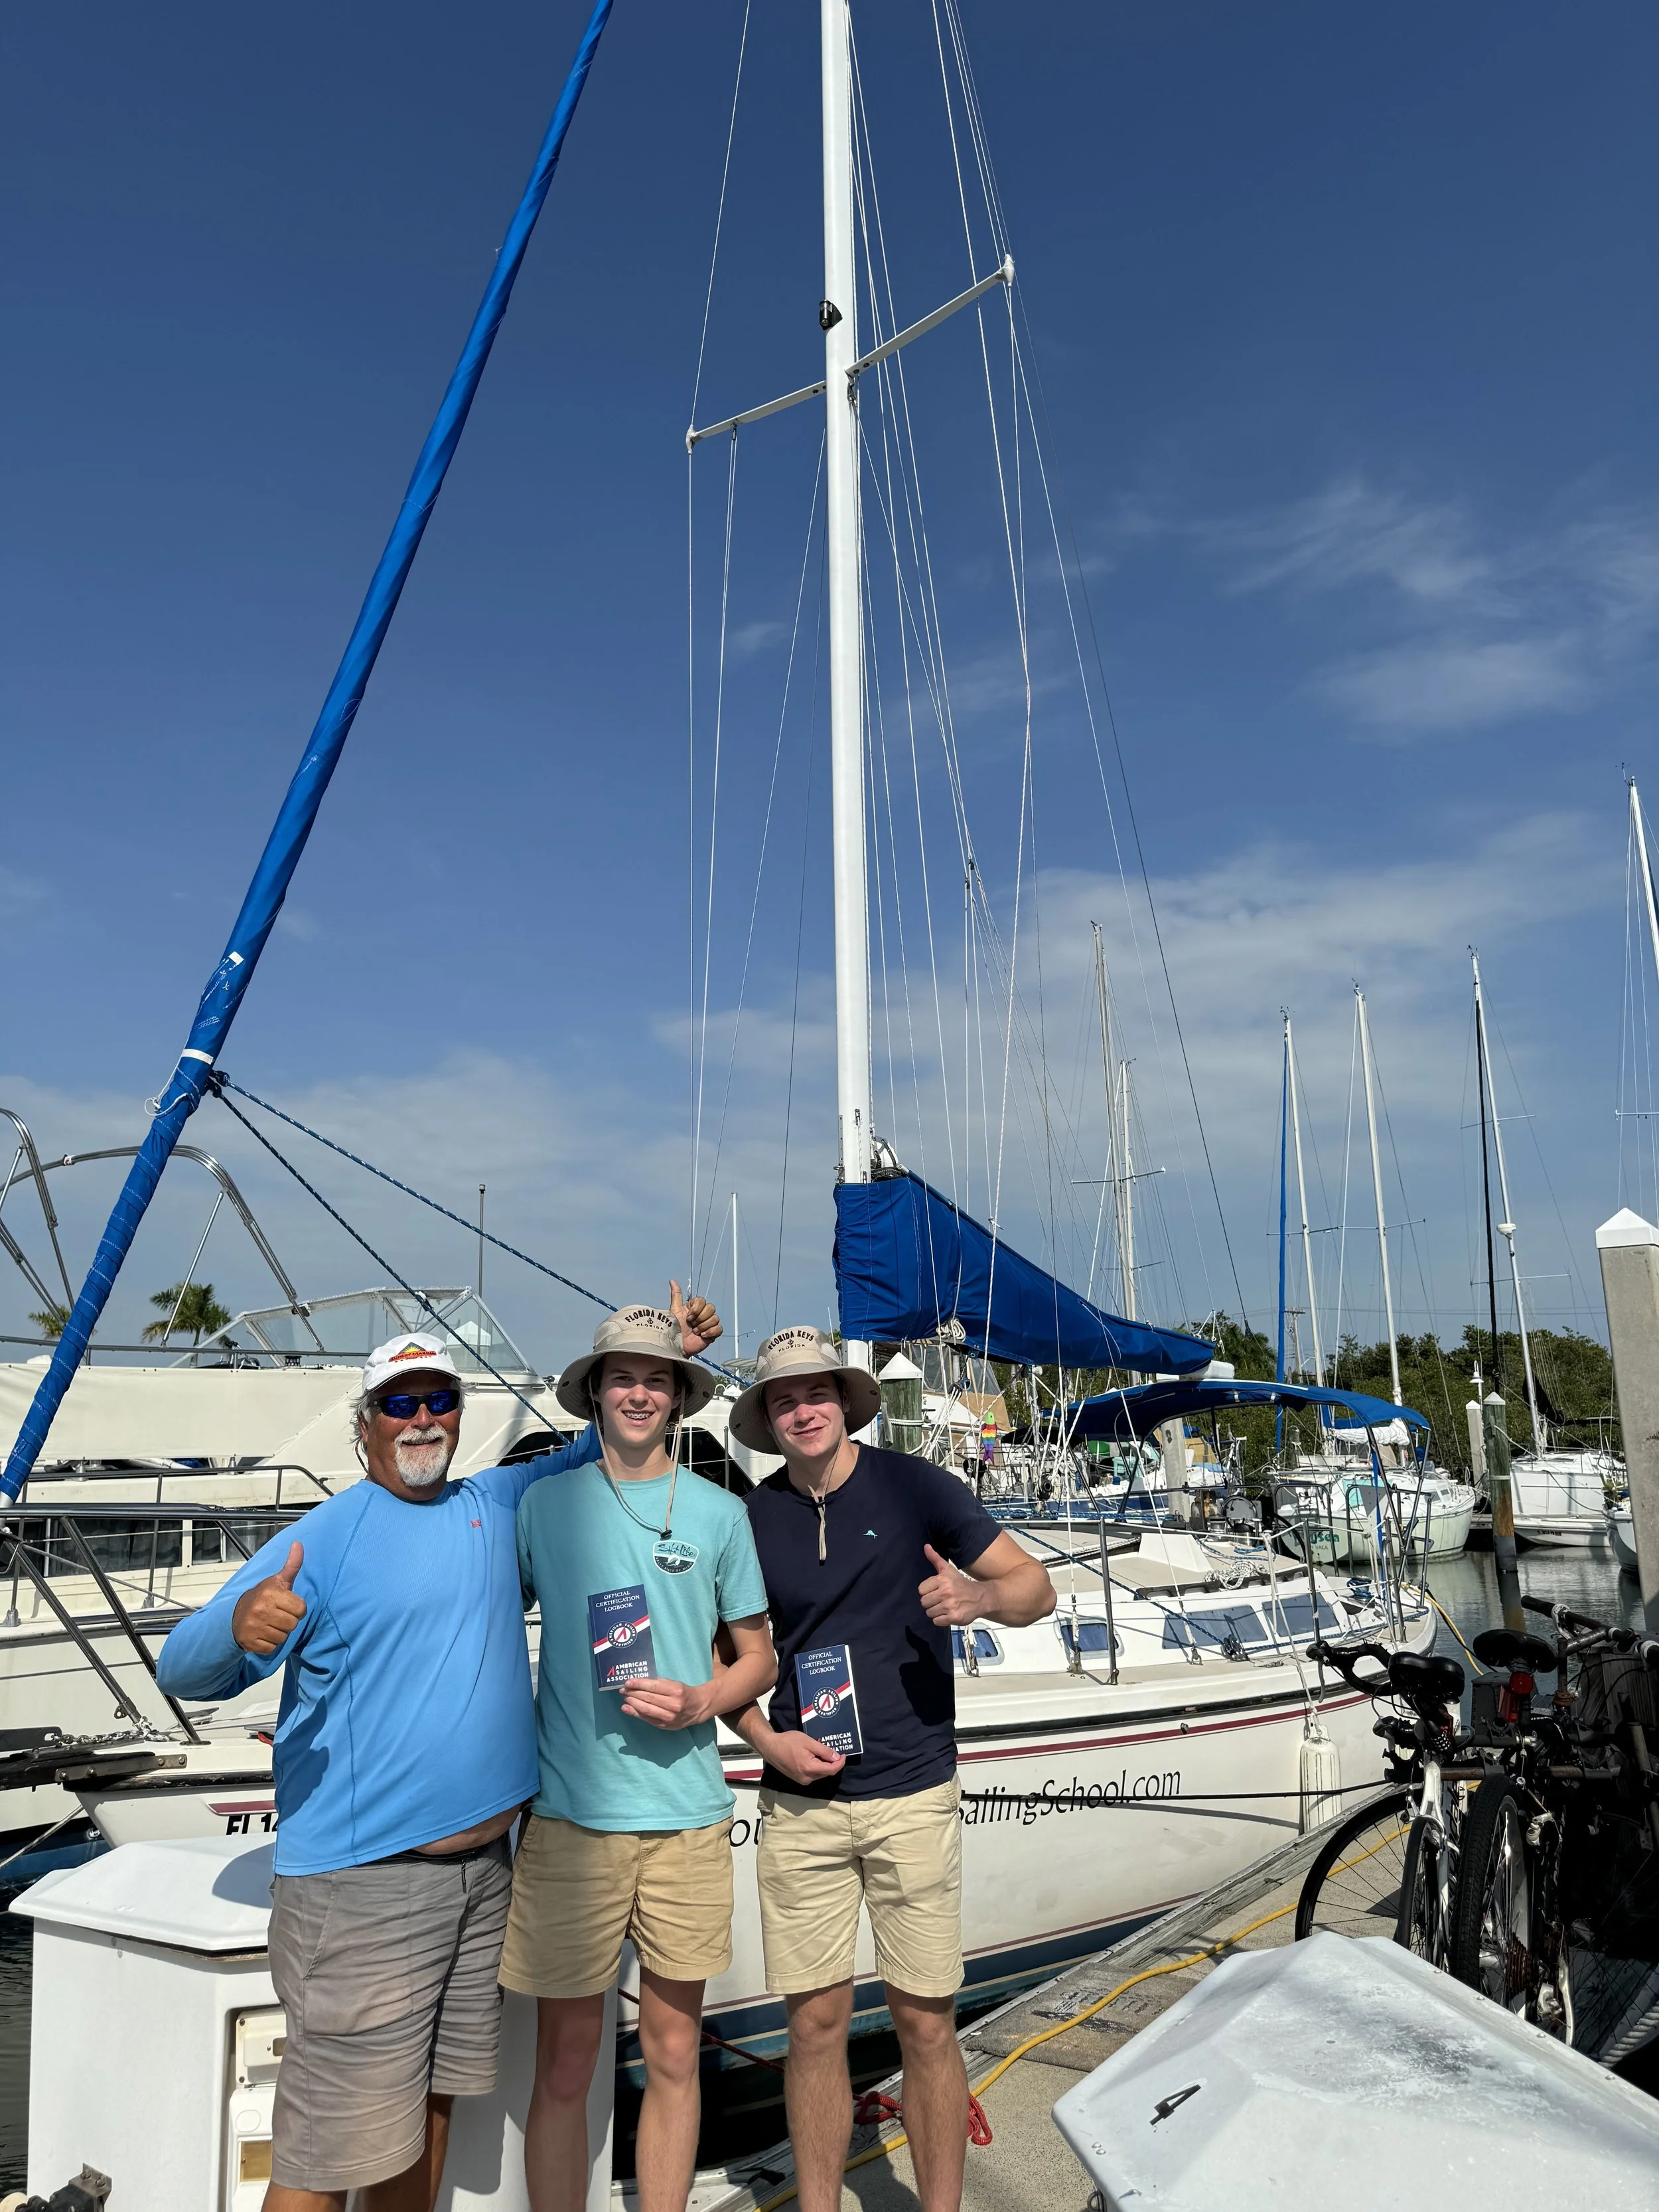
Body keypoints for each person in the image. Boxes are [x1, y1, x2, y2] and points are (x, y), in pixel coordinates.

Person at [155, 1284, 721, 2212]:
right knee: (326, 2150)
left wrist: (669, 1355)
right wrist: (242, 1630)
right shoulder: (321, 1539)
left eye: (439, 1400)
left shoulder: (496, 1501)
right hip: (363, 1885)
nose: (422, 1419)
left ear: (460, 1415)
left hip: (484, 1877)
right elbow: (183, 1667)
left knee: (429, 2115)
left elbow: (605, 1443)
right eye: (399, 1403)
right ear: (366, 1424)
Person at [727, 1327, 1055, 2212]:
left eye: (817, 1393)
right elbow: (729, 1659)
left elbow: (1036, 1588)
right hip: (800, 1805)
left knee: (925, 2024)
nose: (804, 1410)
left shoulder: (917, 1487)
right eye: (785, 1400)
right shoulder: (753, 1518)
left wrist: (981, 1597)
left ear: (845, 1400)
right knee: (814, 2028)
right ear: (768, 1417)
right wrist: (764, 1741)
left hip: (912, 1796)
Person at [500, 1305, 776, 2212]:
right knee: (568, 2063)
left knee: (671, 2054)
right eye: (623, 1376)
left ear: (678, 1397)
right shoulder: (542, 1505)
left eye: (656, 1379)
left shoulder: (720, 1513)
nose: (639, 1393)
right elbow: (480, 1622)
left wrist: (705, 1699)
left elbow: (759, 1657)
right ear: (595, 1391)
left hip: (689, 1823)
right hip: (572, 1824)